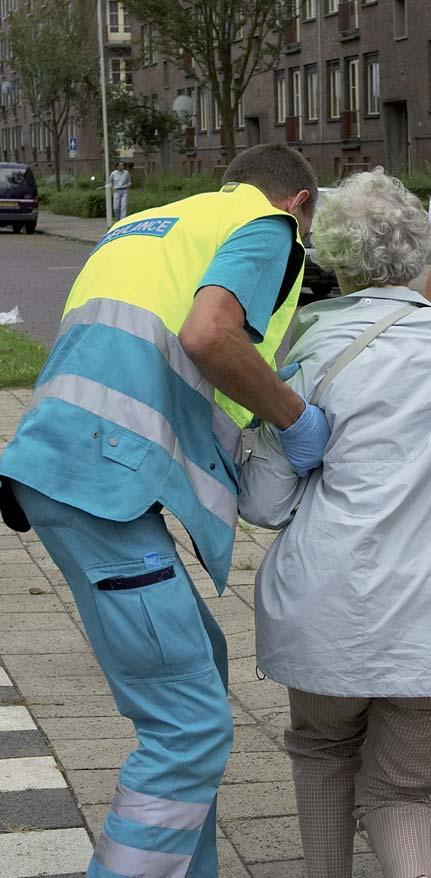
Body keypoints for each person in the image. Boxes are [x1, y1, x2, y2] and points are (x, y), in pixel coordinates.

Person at [0, 144, 329, 878]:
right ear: (300, 203)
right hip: (99, 486)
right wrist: (295, 419)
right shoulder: (267, 226)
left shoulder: (149, 224)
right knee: (189, 725)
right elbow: (209, 334)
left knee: (200, 671)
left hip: (67, 468)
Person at [238, 168, 431, 878]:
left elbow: (263, 504)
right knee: (403, 790)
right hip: (426, 625)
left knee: (320, 752)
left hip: (326, 606)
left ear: (334, 260)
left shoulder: (311, 353)